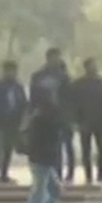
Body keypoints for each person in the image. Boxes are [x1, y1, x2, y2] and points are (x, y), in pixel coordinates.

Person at [22, 93, 63, 203]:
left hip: (45, 159)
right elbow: (38, 141)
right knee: (39, 192)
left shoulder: (43, 118)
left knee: (55, 190)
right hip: (41, 160)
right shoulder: (40, 120)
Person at [30, 49, 73, 181]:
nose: (56, 60)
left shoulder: (64, 77)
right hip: (43, 117)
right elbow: (33, 97)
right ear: (48, 58)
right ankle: (46, 175)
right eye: (54, 58)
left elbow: (70, 97)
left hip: (60, 116)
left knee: (61, 146)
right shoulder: (38, 76)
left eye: (58, 58)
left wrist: (69, 114)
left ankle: (60, 174)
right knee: (45, 147)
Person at [70, 59, 102, 185]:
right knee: (86, 150)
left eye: (94, 66)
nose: (94, 68)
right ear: (86, 67)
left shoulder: (99, 82)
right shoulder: (78, 84)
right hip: (84, 121)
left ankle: (101, 173)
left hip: (99, 120)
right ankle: (88, 175)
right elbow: (74, 103)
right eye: (91, 66)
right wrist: (76, 119)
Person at [0, 60, 27, 185]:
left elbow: (23, 104)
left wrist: (23, 120)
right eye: (9, 71)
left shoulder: (18, 87)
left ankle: (4, 174)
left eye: (13, 71)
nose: (11, 74)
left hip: (13, 123)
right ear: (4, 71)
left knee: (8, 149)